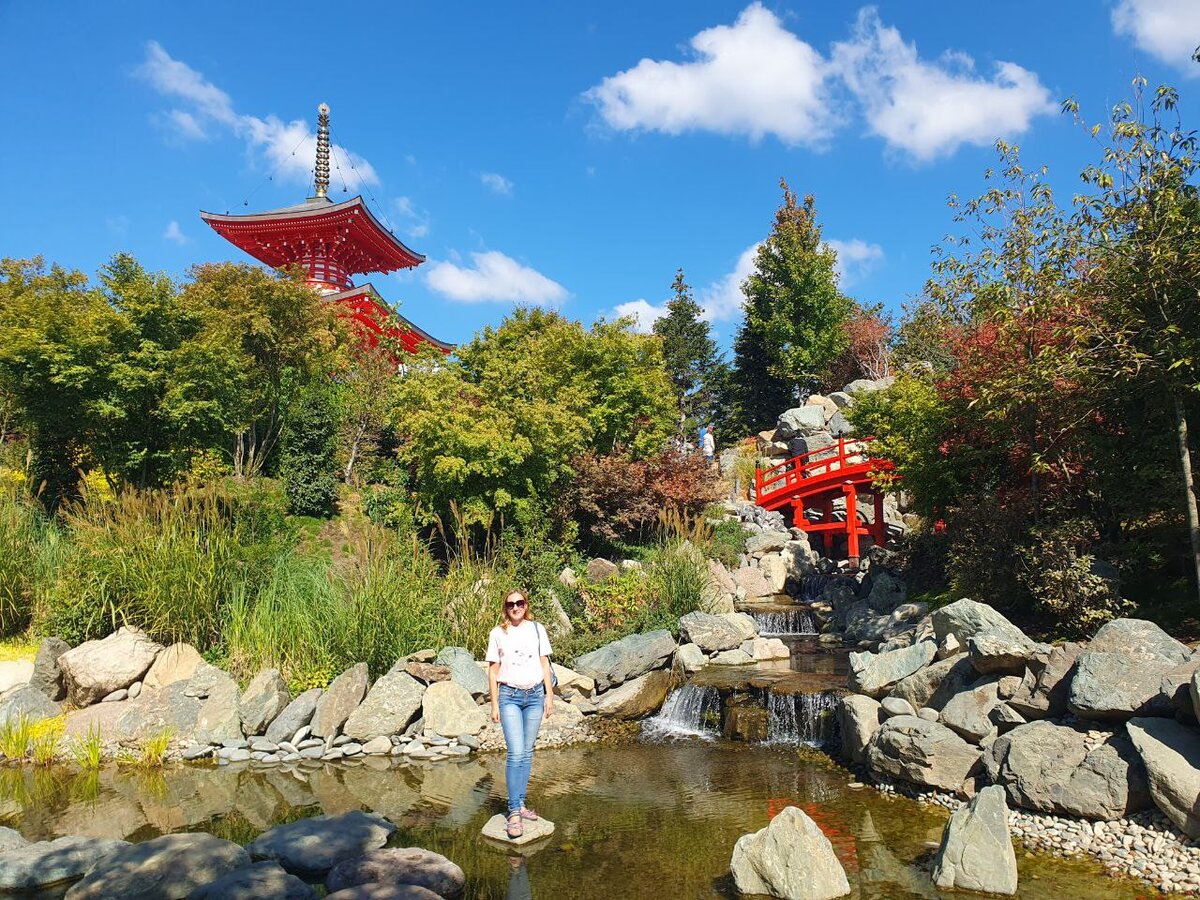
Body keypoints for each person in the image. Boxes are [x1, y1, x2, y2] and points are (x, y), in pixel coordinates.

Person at [486, 589, 554, 839]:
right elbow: (493, 672)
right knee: (515, 753)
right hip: (510, 697)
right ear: (505, 608)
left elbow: (544, 663)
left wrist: (550, 696)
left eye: (520, 603)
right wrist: (494, 705)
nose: (515, 607)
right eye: (510, 604)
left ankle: (521, 804)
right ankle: (513, 812)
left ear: (526, 605)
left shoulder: (537, 629)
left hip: (535, 696)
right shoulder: (498, 633)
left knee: (526, 753)